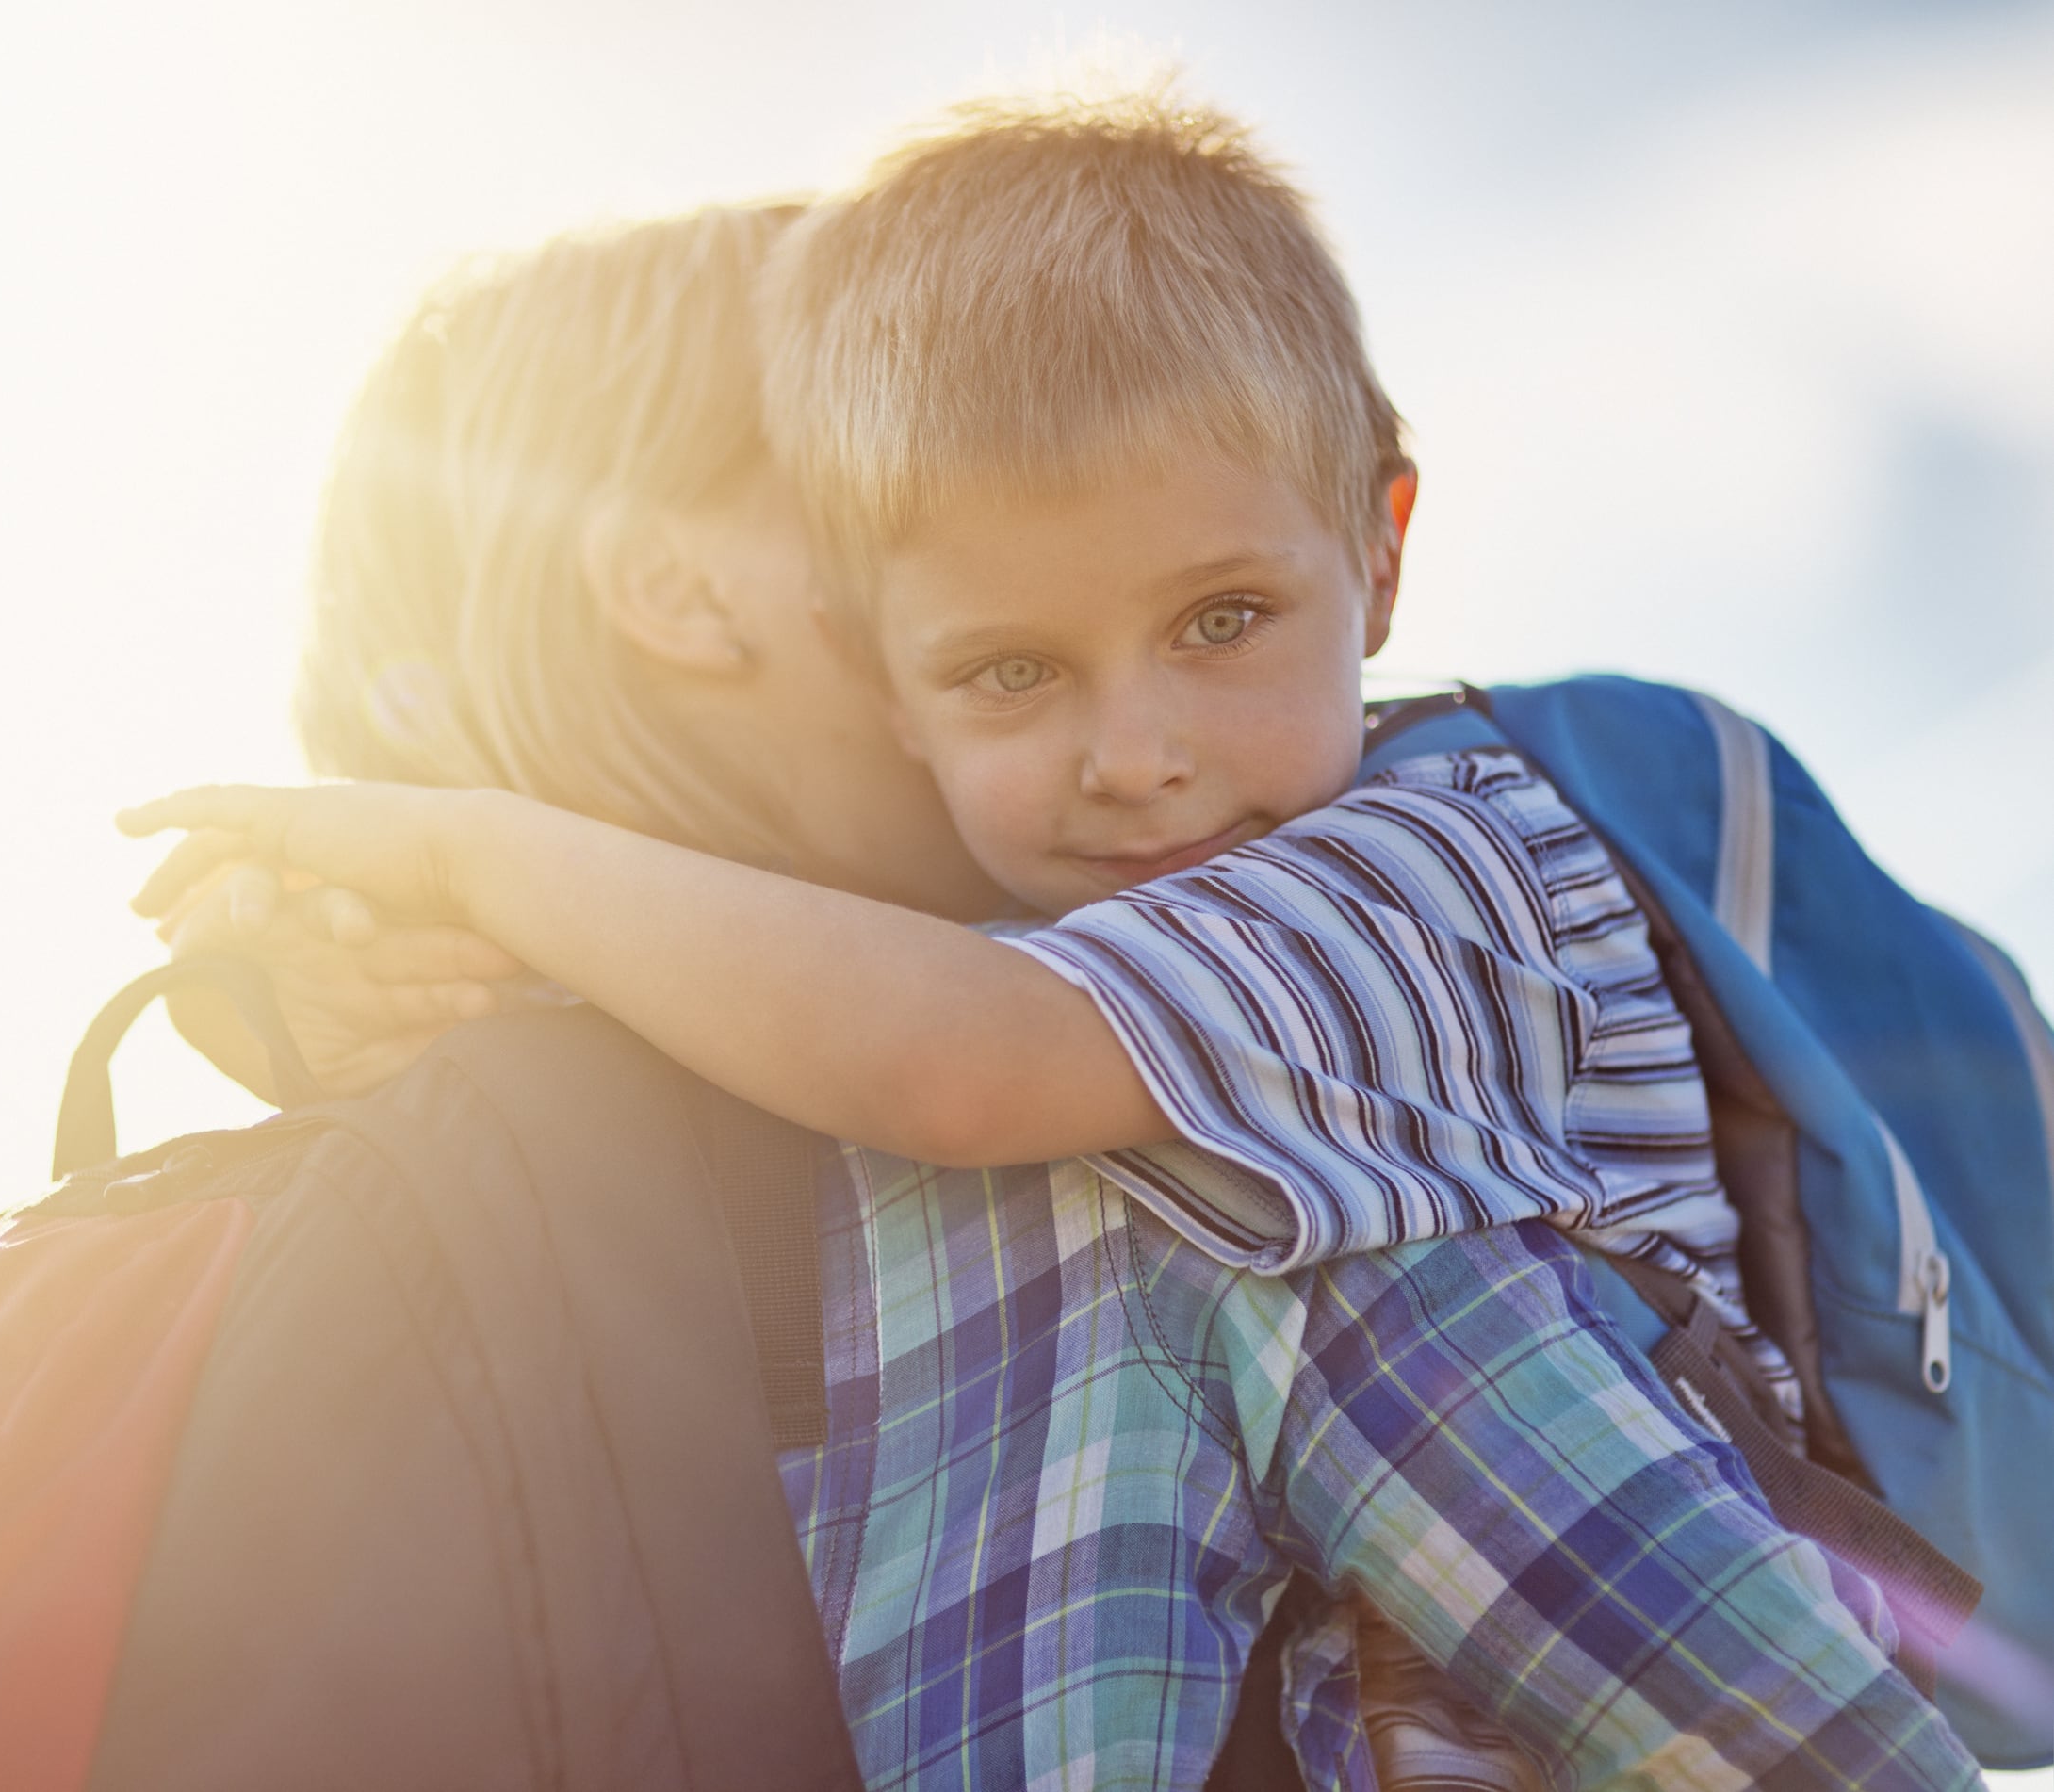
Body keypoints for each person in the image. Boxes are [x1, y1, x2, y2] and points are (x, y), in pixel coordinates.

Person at [130, 118, 1977, 1788]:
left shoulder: (1305, 978)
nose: (1135, 752)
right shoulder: (658, 1113)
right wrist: (327, 976)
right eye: (876, 467)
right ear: (683, 589)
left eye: (1217, 616)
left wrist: (444, 872)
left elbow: (962, 1052)